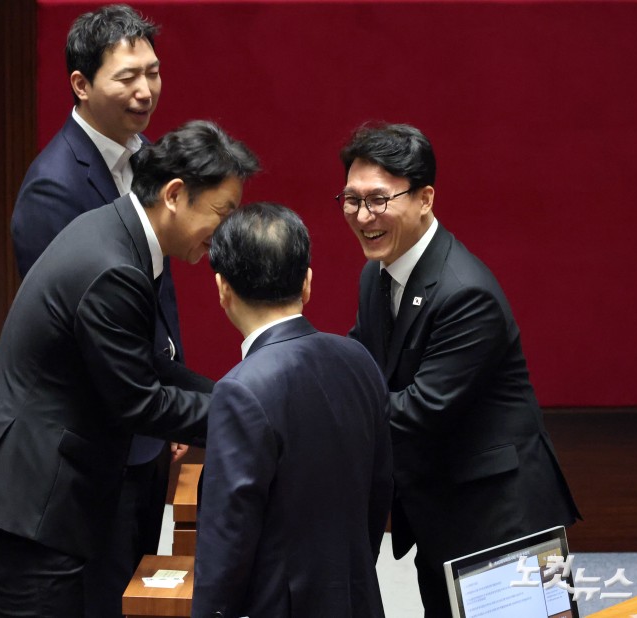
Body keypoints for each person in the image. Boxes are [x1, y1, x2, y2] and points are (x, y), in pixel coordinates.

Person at [0, 120, 260, 618]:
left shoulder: (120, 231)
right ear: (176, 195)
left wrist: (237, 396)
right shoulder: (115, 266)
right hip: (25, 500)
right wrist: (249, 417)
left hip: (35, 478)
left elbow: (146, 360)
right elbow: (139, 400)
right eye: (223, 213)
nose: (225, 237)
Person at [337, 122, 580, 617]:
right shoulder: (376, 274)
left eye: (379, 200)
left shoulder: (465, 293)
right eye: (351, 200)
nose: (363, 216)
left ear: (425, 198)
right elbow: (360, 359)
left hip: (506, 522)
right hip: (441, 512)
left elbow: (418, 409)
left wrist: (314, 414)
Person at [10, 6, 187, 615]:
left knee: (137, 593)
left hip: (140, 433)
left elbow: (157, 294)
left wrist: (168, 413)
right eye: (127, 77)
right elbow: (78, 338)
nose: (145, 90)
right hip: (82, 451)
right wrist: (170, 409)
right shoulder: (53, 188)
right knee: (97, 597)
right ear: (81, 85)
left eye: (154, 72)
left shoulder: (151, 160)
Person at [192, 203, 393, 618]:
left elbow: (226, 549)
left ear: (222, 288)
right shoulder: (360, 361)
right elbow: (377, 497)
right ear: (307, 283)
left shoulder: (239, 391)